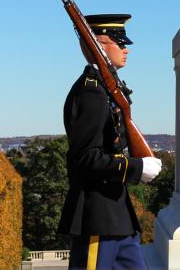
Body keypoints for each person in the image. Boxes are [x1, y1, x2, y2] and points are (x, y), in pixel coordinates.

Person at [58, 14, 161, 269]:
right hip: (96, 217)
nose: (126, 49)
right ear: (100, 45)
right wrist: (136, 167)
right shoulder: (90, 92)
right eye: (120, 43)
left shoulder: (107, 89)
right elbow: (84, 158)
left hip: (118, 217)